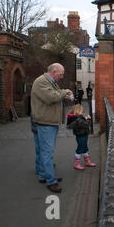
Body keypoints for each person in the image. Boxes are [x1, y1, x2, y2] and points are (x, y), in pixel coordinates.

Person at [31, 63, 73, 193]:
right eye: (61, 74)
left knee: (43, 150)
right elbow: (51, 97)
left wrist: (62, 94)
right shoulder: (42, 82)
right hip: (46, 123)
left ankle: (44, 175)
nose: (62, 76)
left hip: (46, 121)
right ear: (54, 72)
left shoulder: (49, 81)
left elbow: (54, 95)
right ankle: (51, 181)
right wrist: (65, 91)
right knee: (47, 152)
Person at [66, 104, 96, 170]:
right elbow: (86, 124)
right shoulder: (78, 119)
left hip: (82, 134)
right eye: (82, 112)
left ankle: (87, 161)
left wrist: (84, 118)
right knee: (80, 149)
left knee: (84, 148)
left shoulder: (77, 118)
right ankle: (76, 164)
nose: (82, 113)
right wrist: (88, 119)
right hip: (81, 135)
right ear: (78, 111)